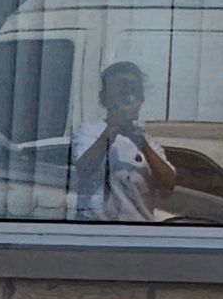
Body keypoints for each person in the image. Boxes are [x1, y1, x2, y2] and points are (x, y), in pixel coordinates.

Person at [70, 60, 177, 222]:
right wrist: (110, 132)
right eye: (121, 93)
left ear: (140, 100)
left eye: (133, 93)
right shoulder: (89, 131)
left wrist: (142, 145)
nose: (129, 100)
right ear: (105, 100)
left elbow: (167, 186)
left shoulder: (148, 142)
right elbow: (83, 169)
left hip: (138, 233)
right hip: (95, 230)